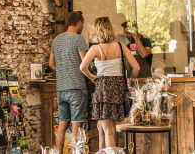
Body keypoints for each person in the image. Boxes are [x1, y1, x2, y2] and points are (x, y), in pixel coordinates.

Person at [80, 17, 140, 150]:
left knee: (108, 130)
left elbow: (82, 67)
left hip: (103, 88)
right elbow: (136, 67)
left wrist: (92, 77)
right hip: (118, 88)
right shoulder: (120, 46)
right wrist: (130, 80)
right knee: (102, 127)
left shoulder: (96, 48)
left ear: (96, 31)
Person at [49, 11, 88, 154]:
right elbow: (85, 62)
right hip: (76, 88)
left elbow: (51, 64)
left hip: (61, 89)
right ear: (78, 22)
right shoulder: (79, 39)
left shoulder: (56, 40)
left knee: (62, 125)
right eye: (82, 23)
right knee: (76, 127)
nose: (82, 26)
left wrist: (63, 71)